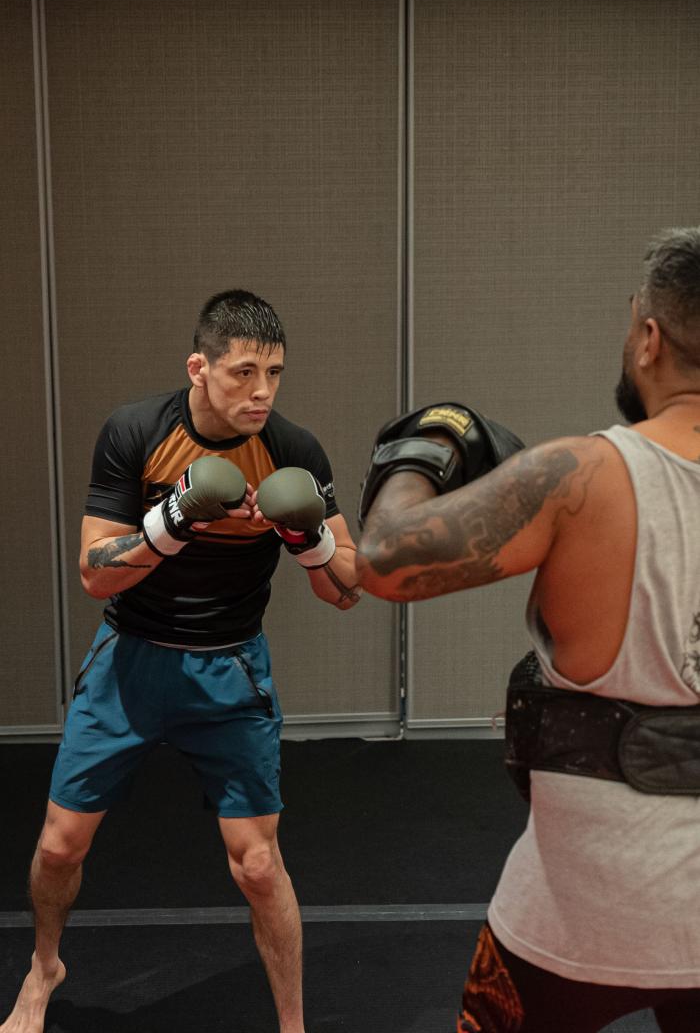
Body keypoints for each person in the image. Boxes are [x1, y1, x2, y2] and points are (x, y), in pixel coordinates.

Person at [355, 229, 700, 1032]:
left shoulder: (579, 479)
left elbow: (383, 561)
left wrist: (432, 443)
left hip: (581, 906)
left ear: (649, 337)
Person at [1, 289, 360, 1033]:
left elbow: (345, 592)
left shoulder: (293, 451)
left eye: (276, 374)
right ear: (200, 367)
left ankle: (294, 1027)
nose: (262, 392)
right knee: (59, 845)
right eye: (244, 373)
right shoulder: (137, 432)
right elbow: (95, 572)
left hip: (230, 670)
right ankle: (43, 970)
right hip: (131, 660)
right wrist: (175, 519)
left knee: (259, 866)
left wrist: (307, 538)